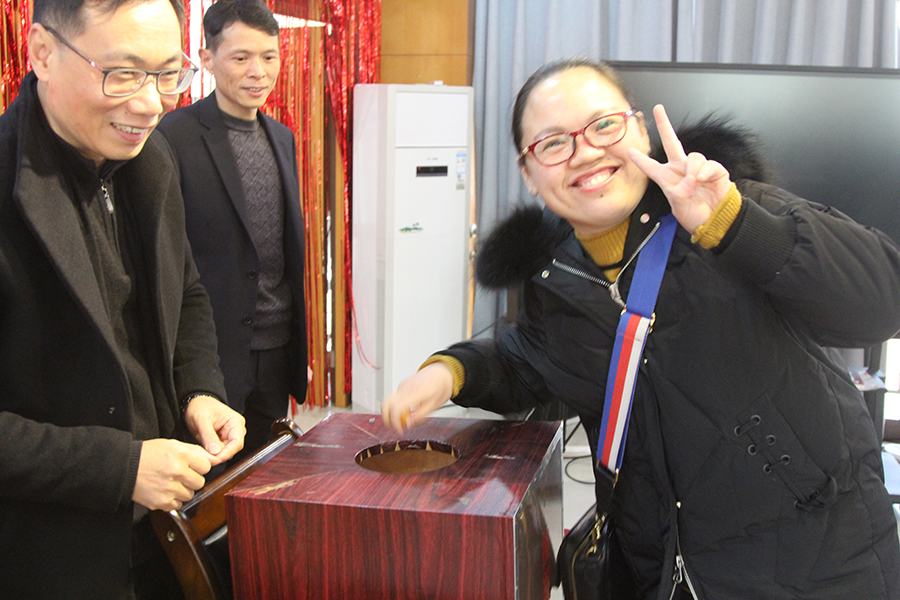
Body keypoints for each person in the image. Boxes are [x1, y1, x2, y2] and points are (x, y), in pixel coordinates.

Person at [382, 58, 900, 599]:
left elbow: (880, 306)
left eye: (603, 125)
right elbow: (529, 359)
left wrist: (734, 226)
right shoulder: (553, 278)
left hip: (815, 564)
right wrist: (449, 372)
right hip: (656, 567)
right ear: (529, 175)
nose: (585, 152)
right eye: (554, 143)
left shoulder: (730, 207)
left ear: (641, 131)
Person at [0, 0, 246, 597]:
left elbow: (186, 291)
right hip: (50, 553)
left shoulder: (149, 157)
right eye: (123, 73)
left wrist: (199, 389)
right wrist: (120, 468)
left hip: (164, 533)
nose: (151, 103)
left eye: (169, 74)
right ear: (42, 53)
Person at [157, 0, 308, 460]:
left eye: (269, 56)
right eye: (241, 57)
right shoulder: (173, 136)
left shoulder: (282, 137)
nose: (258, 72)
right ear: (207, 59)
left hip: (276, 349)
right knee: (211, 477)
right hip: (212, 354)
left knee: (266, 474)